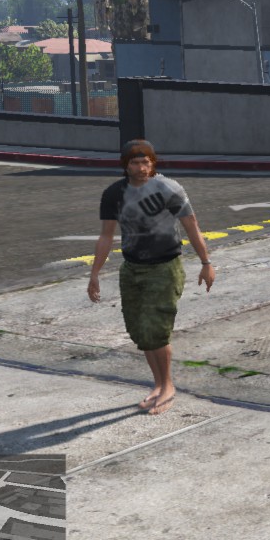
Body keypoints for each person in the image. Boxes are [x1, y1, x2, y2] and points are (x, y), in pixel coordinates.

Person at [88, 140, 216, 414]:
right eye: (135, 163)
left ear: (153, 163)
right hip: (132, 268)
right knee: (141, 331)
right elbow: (106, 235)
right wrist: (94, 273)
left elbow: (191, 226)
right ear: (125, 165)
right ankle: (158, 385)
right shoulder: (114, 193)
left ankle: (168, 386)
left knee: (157, 330)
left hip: (164, 268)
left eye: (145, 162)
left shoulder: (169, 188)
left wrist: (206, 262)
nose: (141, 168)